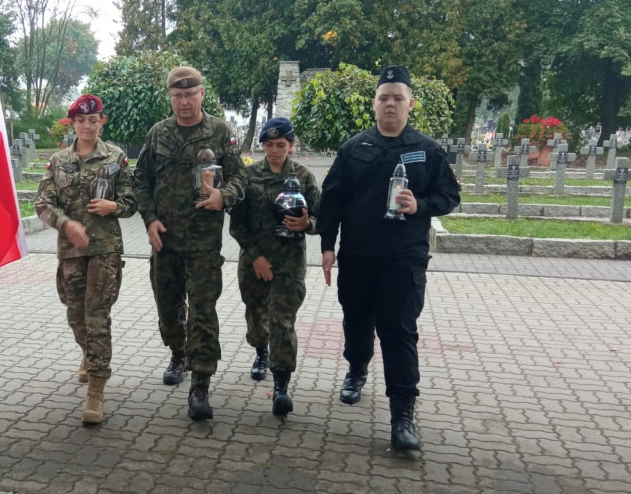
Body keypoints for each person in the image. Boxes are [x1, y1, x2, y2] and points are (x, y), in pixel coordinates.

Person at [317, 66, 460, 451]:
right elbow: (332, 200)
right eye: (384, 97)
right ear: (374, 103)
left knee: (399, 332)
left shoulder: (428, 151)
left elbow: (450, 196)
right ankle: (356, 369)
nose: (391, 104)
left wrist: (421, 205)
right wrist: (327, 246)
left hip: (403, 260)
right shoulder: (354, 149)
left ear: (410, 103)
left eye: (398, 97)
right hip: (359, 257)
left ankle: (402, 415)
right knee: (357, 321)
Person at [134, 66, 246, 420]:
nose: (183, 101)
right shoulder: (158, 134)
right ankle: (177, 353)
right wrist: (149, 220)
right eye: (177, 95)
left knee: (202, 312)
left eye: (190, 94)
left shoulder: (220, 131)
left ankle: (200, 384)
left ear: (202, 94)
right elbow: (141, 181)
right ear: (170, 97)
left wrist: (223, 196)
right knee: (168, 309)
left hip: (202, 244)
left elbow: (242, 177)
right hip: (164, 241)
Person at [35, 94, 136, 425]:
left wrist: (115, 207)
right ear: (73, 124)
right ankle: (88, 352)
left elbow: (132, 200)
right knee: (76, 315)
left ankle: (96, 388)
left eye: (94, 120)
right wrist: (66, 224)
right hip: (71, 253)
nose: (88, 126)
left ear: (101, 121)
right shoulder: (59, 161)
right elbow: (43, 204)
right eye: (81, 121)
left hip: (105, 250)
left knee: (97, 316)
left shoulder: (115, 158)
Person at [229, 117, 321, 417]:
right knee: (257, 318)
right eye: (268, 145)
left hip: (289, 264)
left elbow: (322, 219)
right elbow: (237, 225)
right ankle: (260, 351)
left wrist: (308, 223)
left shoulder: (304, 177)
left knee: (283, 322)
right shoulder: (249, 175)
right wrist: (255, 256)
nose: (274, 150)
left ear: (291, 146)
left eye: (281, 145)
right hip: (254, 262)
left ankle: (281, 384)